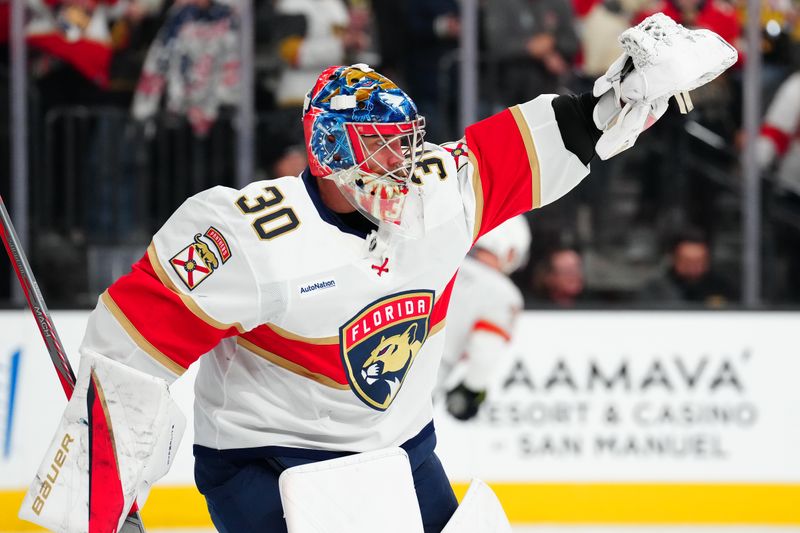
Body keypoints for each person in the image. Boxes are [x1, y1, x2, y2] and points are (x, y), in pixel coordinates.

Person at [20, 14, 737, 533]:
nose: (404, 163)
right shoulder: (247, 234)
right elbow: (129, 351)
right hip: (264, 458)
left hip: (397, 449)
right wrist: (102, 497)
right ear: (330, 153)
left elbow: (566, 133)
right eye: (382, 148)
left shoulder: (443, 192)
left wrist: (630, 90)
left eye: (406, 142)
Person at [438, 215, 531, 421]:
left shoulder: (440, 260)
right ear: (511, 251)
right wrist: (471, 390)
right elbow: (485, 351)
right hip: (428, 377)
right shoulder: (503, 293)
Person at [638, 228, 734, 306]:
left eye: (699, 261)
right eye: (688, 261)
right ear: (674, 259)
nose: (694, 267)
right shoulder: (655, 289)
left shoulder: (721, 287)